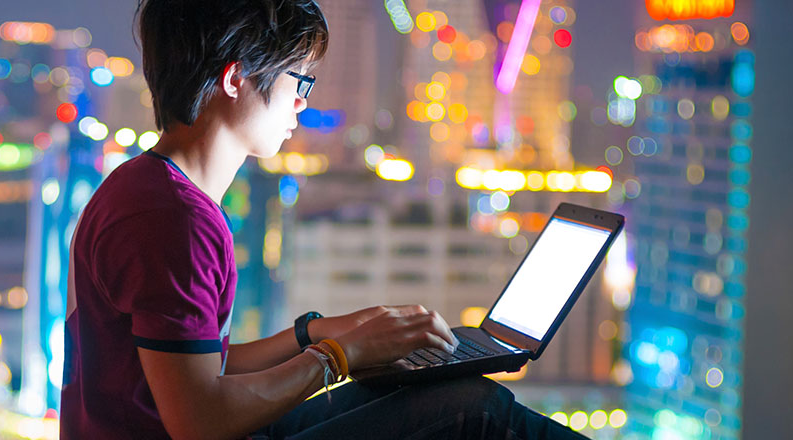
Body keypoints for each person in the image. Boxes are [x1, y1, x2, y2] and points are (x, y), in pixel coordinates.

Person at [60, 0, 587, 438]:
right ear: (236, 78)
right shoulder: (171, 217)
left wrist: (321, 334)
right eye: (300, 80)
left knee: (435, 391)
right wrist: (338, 355)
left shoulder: (146, 188)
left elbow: (196, 367)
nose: (302, 104)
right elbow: (199, 420)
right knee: (475, 409)